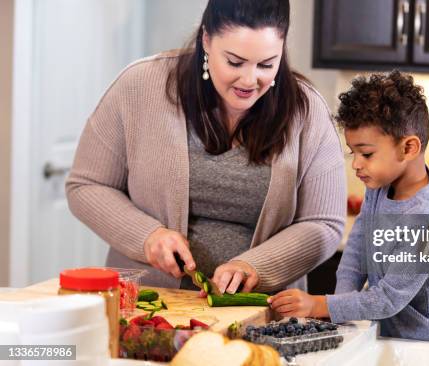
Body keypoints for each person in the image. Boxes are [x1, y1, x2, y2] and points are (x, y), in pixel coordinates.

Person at [65, 0, 346, 293]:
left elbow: (323, 223)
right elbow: (86, 185)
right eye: (235, 62)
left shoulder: (307, 109)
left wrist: (255, 267)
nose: (250, 80)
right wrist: (148, 236)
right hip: (150, 306)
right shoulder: (139, 85)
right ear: (207, 40)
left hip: (262, 316)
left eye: (266, 64)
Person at [269, 71, 429, 344]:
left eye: (366, 154)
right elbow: (356, 253)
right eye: (353, 152)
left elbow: (388, 299)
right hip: (395, 341)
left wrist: (322, 305)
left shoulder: (427, 219)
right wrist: (338, 308)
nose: (356, 164)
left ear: (409, 147)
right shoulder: (379, 186)